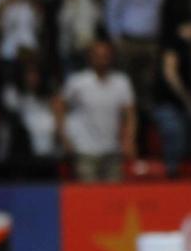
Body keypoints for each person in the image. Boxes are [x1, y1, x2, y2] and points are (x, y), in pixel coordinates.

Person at [55, 39, 137, 182]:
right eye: (97, 55)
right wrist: (64, 136)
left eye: (106, 55)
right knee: (88, 193)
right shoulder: (77, 81)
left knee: (113, 194)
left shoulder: (121, 82)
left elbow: (129, 114)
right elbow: (59, 105)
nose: (102, 59)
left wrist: (129, 139)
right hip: (84, 150)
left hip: (112, 150)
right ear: (90, 57)